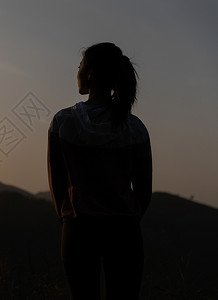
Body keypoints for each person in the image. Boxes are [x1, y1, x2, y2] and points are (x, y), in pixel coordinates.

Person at [47, 42, 152, 300]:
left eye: (80, 65)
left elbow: (57, 183)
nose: (78, 71)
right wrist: (128, 217)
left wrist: (67, 217)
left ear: (91, 72)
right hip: (124, 231)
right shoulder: (135, 127)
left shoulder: (64, 122)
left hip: (78, 229)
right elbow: (143, 190)